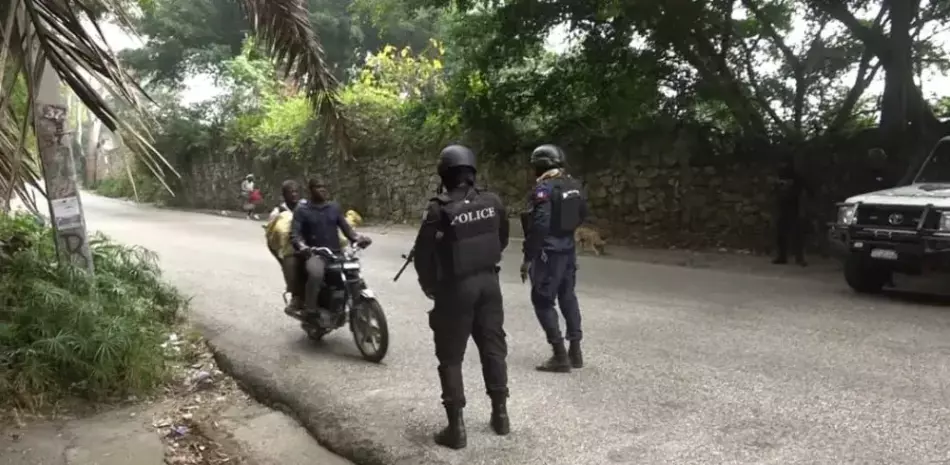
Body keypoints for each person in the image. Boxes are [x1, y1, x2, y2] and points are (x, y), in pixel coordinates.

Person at [413, 144, 510, 450]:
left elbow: (423, 256)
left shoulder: (438, 209)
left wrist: (430, 286)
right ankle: (501, 416)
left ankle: (456, 429)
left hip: (456, 289)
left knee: (450, 358)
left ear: (444, 173)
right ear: (472, 171)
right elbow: (502, 238)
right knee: (493, 349)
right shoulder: (492, 201)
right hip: (489, 284)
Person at [520, 144, 588, 373]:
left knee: (542, 301)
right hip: (568, 249)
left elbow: (539, 225)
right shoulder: (574, 185)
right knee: (568, 296)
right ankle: (575, 352)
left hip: (548, 253)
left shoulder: (544, 190)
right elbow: (582, 214)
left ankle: (559, 354)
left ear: (540, 165)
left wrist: (528, 256)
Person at [290, 179, 371, 325]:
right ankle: (311, 309)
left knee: (353, 273)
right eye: (318, 187)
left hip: (336, 254)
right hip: (316, 254)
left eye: (325, 187)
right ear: (310, 190)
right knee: (316, 273)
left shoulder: (334, 208)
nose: (323, 190)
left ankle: (356, 302)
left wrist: (358, 238)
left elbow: (347, 230)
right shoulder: (302, 210)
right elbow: (295, 235)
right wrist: (302, 246)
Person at [264, 180, 307, 311]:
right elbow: (271, 236)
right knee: (291, 266)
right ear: (284, 195)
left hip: (310, 244)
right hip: (291, 249)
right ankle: (296, 297)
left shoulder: (306, 205)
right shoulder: (278, 213)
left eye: (296, 191)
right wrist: (279, 256)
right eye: (290, 192)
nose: (294, 194)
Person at [773, 156, 809, 266]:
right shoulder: (779, 176)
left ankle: (799, 258)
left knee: (797, 234)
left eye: (784, 163)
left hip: (794, 208)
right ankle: (782, 256)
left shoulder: (796, 177)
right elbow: (775, 190)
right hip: (782, 208)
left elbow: (805, 188)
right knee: (781, 234)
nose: (783, 165)